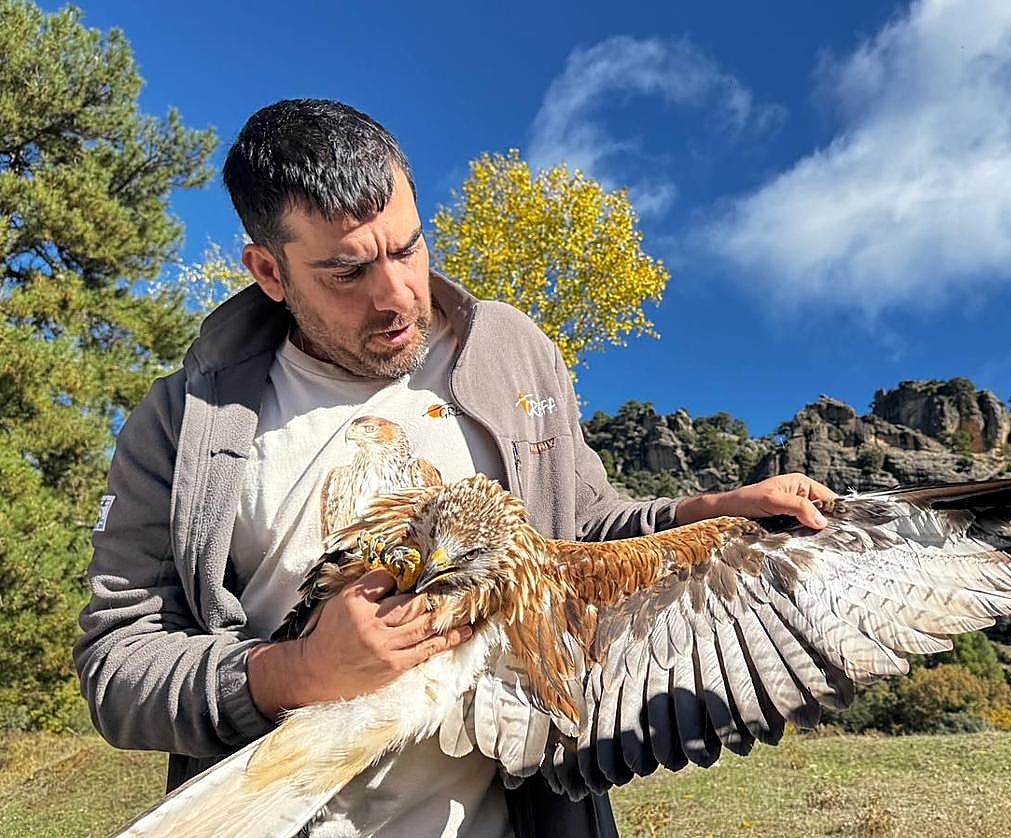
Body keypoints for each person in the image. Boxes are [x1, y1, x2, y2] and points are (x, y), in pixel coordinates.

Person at [75, 98, 835, 838]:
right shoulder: (186, 421)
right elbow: (118, 665)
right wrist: (295, 672)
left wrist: (702, 511)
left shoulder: (510, 352)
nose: (396, 295)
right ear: (269, 272)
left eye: (407, 248)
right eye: (346, 273)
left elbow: (579, 530)